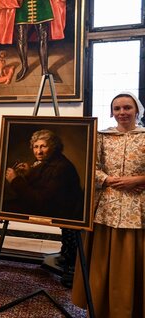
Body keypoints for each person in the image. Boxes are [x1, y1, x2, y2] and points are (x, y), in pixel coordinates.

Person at [72, 92, 145, 317]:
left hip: (138, 209)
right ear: (112, 112)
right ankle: (101, 306)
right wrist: (109, 179)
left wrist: (138, 180)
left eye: (127, 108)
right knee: (102, 259)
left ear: (137, 110)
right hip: (106, 207)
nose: (122, 113)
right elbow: (88, 167)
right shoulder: (101, 136)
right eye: (117, 109)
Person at [0, 0, 68, 82]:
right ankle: (24, 66)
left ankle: (45, 70)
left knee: (43, 35)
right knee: (21, 37)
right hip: (21, 0)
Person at [4, 129, 83, 220]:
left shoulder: (61, 167)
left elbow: (41, 201)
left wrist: (15, 180)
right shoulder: (49, 161)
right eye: (36, 147)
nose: (39, 151)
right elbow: (41, 185)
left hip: (58, 214)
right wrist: (29, 174)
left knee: (7, 207)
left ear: (54, 147)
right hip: (46, 208)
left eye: (43, 146)